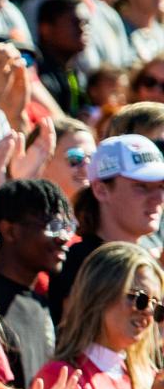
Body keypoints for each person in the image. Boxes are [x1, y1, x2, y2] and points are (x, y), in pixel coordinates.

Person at [38, 242, 164, 389]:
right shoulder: (62, 377)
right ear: (100, 293)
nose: (148, 313)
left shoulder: (149, 380)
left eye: (157, 307)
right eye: (140, 299)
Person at [51, 135, 164, 325]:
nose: (158, 198)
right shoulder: (81, 265)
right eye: (141, 186)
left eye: (161, 186)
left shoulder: (152, 262)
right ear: (101, 190)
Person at [0, 178, 73, 385]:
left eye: (66, 227)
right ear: (10, 231)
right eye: (52, 226)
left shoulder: (41, 304)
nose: (63, 237)